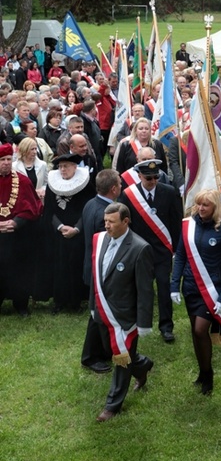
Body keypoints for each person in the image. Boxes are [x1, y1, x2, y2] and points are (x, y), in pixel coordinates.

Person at [90, 203, 155, 422]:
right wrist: (92, 305)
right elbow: (96, 277)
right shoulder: (100, 240)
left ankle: (112, 405)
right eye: (105, 221)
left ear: (126, 222)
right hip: (103, 312)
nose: (106, 226)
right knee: (115, 353)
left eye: (112, 222)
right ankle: (142, 364)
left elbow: (145, 290)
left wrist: (144, 322)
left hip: (125, 318)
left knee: (120, 360)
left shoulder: (140, 248)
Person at [171, 189, 221, 395]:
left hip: (212, 290)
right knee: (195, 332)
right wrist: (174, 284)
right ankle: (202, 372)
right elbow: (180, 255)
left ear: (215, 207)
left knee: (201, 330)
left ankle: (208, 374)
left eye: (205, 205)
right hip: (191, 287)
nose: (200, 208)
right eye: (198, 204)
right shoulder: (188, 225)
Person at [120, 158, 182, 342]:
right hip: (140, 253)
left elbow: (176, 222)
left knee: (164, 288)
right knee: (141, 290)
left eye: (156, 177)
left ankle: (166, 327)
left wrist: (177, 250)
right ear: (139, 176)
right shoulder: (128, 195)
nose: (153, 181)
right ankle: (137, 324)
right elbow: (125, 225)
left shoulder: (169, 192)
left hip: (162, 252)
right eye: (149, 178)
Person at [81, 169, 122, 374]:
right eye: (120, 184)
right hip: (100, 270)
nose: (121, 187)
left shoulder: (91, 204)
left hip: (92, 266)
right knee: (97, 314)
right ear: (113, 189)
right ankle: (90, 356)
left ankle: (104, 351)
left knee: (100, 313)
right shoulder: (105, 215)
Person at [42, 153, 95, 312]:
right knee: (59, 266)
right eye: (60, 167)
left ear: (75, 167)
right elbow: (49, 210)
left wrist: (77, 228)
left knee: (76, 266)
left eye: (66, 166)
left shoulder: (86, 185)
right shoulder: (53, 184)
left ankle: (76, 302)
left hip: (79, 233)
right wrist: (60, 227)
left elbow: (88, 209)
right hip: (58, 234)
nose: (63, 170)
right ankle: (59, 301)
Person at [0, 143, 43, 316]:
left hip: (18, 238)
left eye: (9, 159)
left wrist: (16, 222)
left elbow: (33, 208)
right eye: (2, 160)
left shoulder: (23, 181)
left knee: (20, 271)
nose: (6, 163)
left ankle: (21, 304)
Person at [12, 137, 48, 201]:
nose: (35, 152)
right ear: (24, 150)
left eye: (35, 149)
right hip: (22, 202)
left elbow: (46, 183)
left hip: (38, 202)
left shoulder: (42, 165)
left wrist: (42, 190)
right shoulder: (14, 167)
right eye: (32, 149)